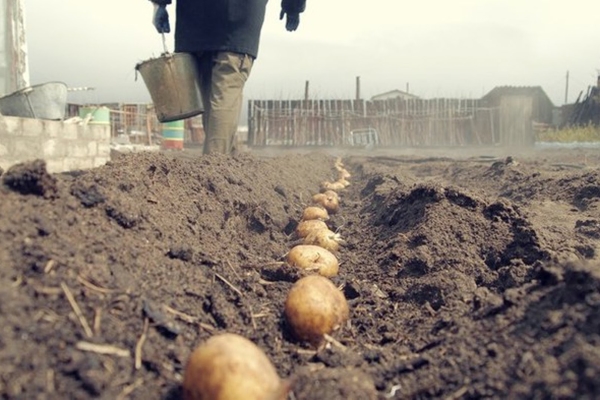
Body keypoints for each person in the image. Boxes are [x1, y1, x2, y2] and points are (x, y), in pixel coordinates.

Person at [148, 0, 306, 155]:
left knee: (210, 99)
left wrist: (160, 5)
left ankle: (223, 163)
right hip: (237, 22)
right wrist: (293, 7)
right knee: (225, 94)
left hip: (195, 19)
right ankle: (214, 167)